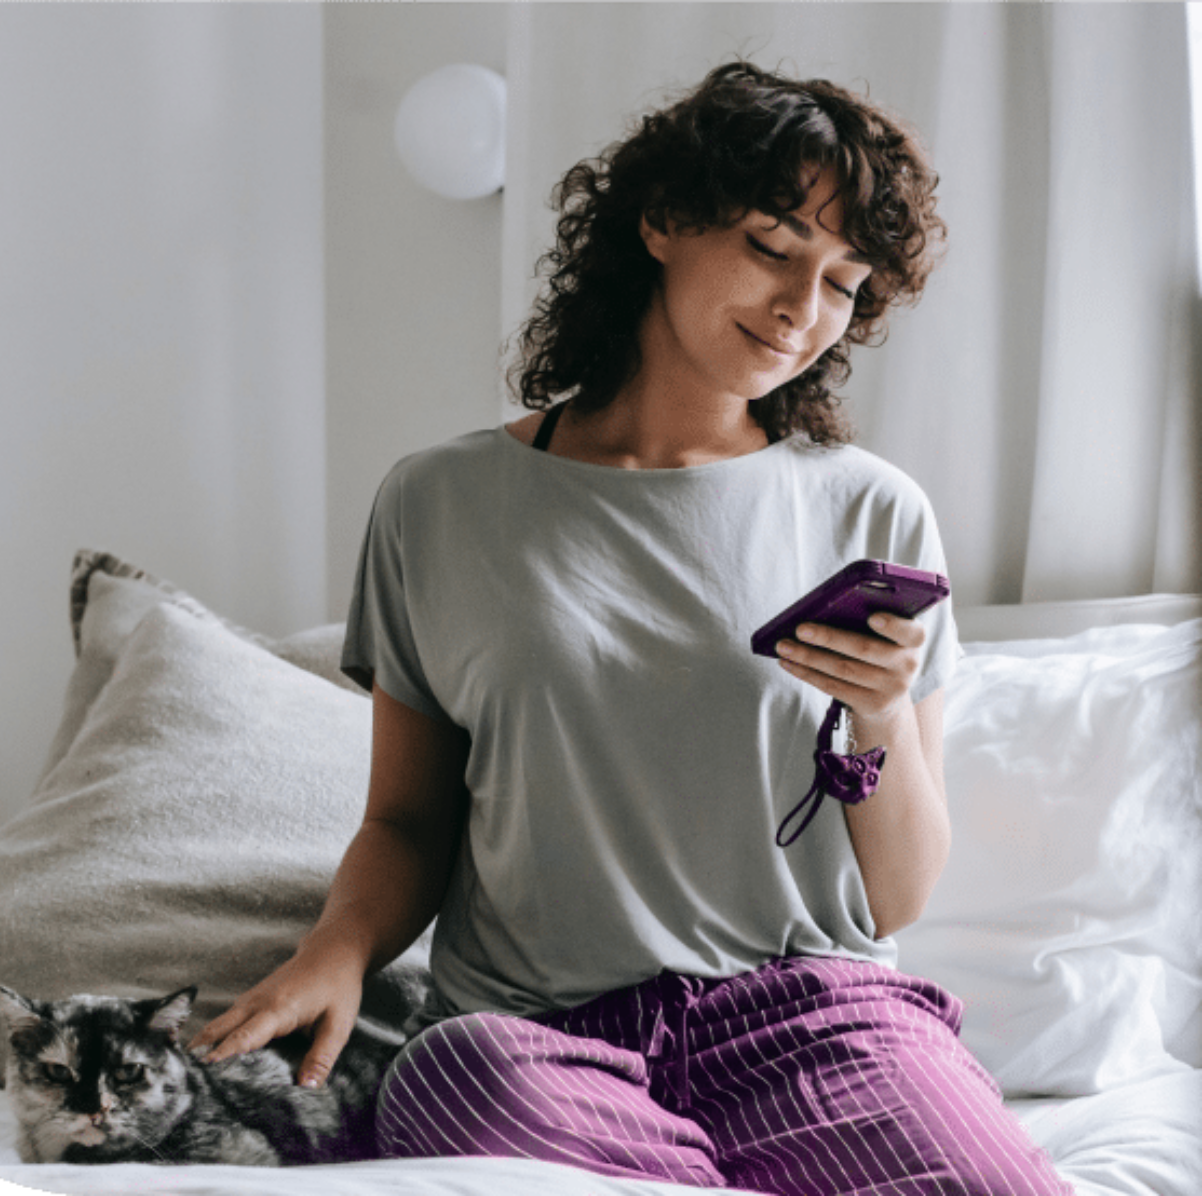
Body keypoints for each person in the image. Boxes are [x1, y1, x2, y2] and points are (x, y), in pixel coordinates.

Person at [191, 61, 1072, 1195]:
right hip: (541, 1038)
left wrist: (880, 711)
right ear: (661, 220)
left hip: (813, 1016)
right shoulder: (436, 502)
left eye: (845, 282)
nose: (806, 308)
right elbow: (410, 818)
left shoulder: (870, 508)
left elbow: (896, 899)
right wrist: (335, 951)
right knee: (447, 1081)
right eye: (772, 245)